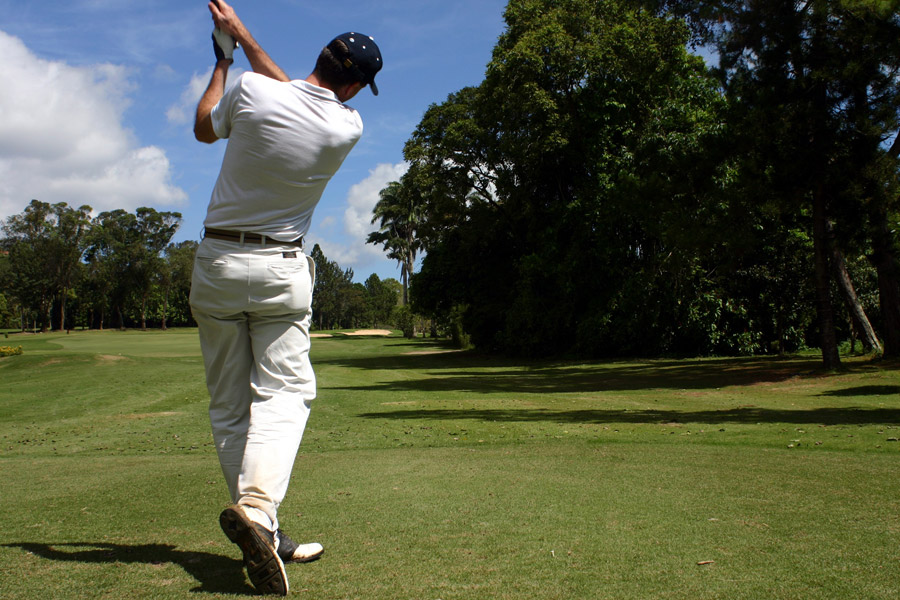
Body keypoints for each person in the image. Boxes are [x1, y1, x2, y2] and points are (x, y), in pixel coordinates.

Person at [189, 1, 382, 595]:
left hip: (218, 262)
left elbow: (202, 127)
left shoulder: (250, 92)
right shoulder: (346, 127)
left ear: (320, 56)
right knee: (286, 393)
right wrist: (246, 41)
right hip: (280, 269)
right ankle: (259, 512)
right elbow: (299, 96)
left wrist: (226, 56)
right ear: (355, 86)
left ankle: (263, 527)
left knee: (229, 406)